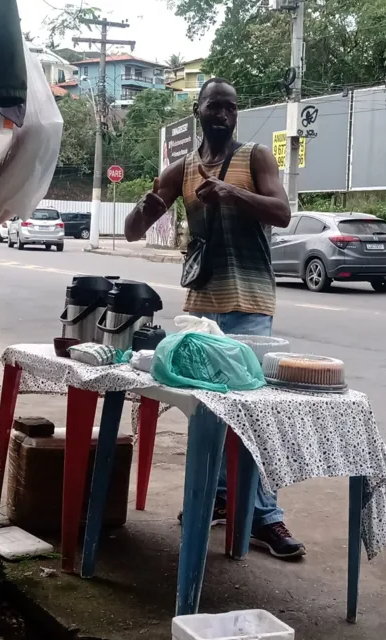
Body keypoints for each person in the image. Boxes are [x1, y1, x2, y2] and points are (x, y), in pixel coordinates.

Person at [125, 77, 306, 559]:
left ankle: (265, 518)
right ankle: (223, 500)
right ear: (198, 110)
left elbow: (283, 212)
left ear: (236, 115)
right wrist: (144, 208)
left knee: (250, 414)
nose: (223, 114)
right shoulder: (181, 169)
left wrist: (231, 193)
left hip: (249, 305)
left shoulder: (256, 158)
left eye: (231, 107)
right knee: (208, 412)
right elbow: (131, 231)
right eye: (214, 106)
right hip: (201, 311)